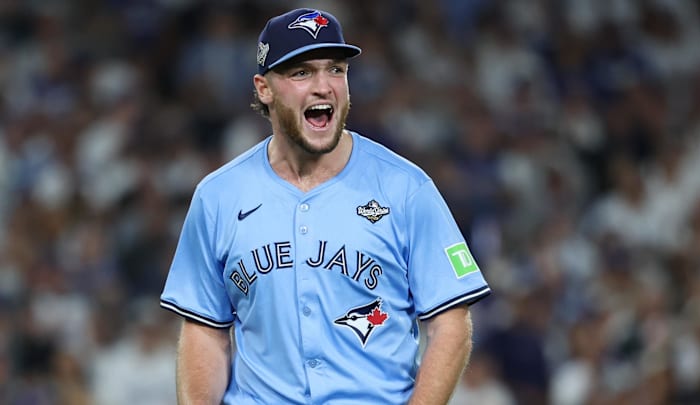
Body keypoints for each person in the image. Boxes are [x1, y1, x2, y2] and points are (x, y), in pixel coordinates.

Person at [160, 8, 491, 405]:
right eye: (302, 73)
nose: (324, 86)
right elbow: (205, 331)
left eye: (335, 70)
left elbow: (450, 324)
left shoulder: (405, 188)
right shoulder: (218, 196)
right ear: (264, 88)